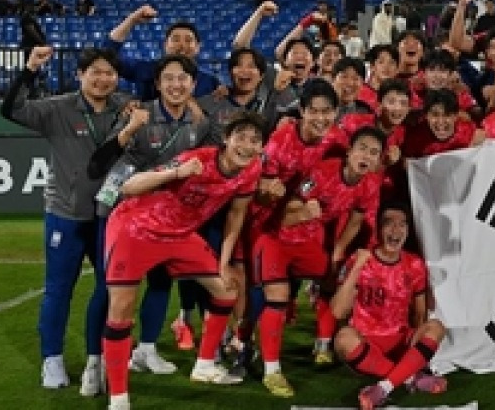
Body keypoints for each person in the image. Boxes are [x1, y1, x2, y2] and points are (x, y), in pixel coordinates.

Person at [101, 113, 268, 410]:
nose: (247, 145)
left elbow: (236, 215)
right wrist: (175, 174)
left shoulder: (252, 170)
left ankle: (204, 366)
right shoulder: (197, 159)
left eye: (255, 140)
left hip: (180, 234)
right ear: (226, 140)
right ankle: (118, 398)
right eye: (240, 137)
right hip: (136, 228)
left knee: (226, 289)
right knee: (121, 310)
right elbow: (129, 187)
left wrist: (224, 262)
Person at [0, 45, 130, 390]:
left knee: (109, 288)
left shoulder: (126, 107)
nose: (103, 79)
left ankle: (96, 358)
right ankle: (51, 360)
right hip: (67, 215)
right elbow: (11, 109)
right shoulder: (58, 108)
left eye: (109, 73)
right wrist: (29, 71)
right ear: (80, 75)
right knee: (59, 290)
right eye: (95, 72)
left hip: (110, 216)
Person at [254, 127, 385, 398]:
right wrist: (303, 212)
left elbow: (357, 218)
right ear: (349, 150)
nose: (366, 156)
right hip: (277, 237)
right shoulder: (323, 171)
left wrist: (338, 251)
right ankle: (271, 370)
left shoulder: (370, 183)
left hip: (308, 242)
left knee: (334, 276)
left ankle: (323, 345)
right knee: (277, 297)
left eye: (374, 153)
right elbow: (284, 216)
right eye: (362, 148)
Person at [332, 202, 449, 410]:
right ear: (379, 229)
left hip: (400, 341)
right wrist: (358, 266)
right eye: (389, 224)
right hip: (367, 345)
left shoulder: (414, 264)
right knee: (343, 338)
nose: (396, 230)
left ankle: (383, 388)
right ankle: (410, 377)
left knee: (436, 327)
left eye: (402, 224)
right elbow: (337, 311)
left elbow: (420, 312)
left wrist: (416, 341)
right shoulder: (360, 260)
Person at [104, 5, 223, 101]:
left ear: (198, 47)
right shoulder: (145, 69)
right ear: (165, 44)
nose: (182, 45)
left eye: (188, 40)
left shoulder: (210, 81)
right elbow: (107, 57)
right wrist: (131, 20)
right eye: (176, 39)